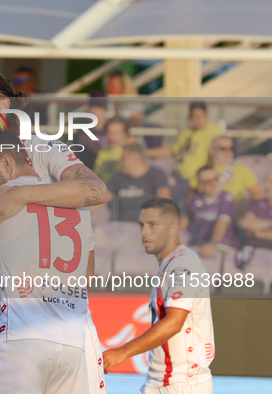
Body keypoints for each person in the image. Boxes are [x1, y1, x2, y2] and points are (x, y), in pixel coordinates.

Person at [0, 70, 109, 393]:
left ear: (3, 105)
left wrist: (19, 196)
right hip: (52, 327)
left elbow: (97, 190)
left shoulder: (41, 149)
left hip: (23, 329)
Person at [0, 131, 93, 393]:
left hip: (19, 339)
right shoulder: (81, 208)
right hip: (73, 345)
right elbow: (87, 275)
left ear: (7, 164)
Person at [103, 198, 215, 394]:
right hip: (161, 382)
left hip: (182, 384)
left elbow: (173, 323)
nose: (144, 232)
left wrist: (121, 353)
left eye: (152, 225)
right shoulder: (169, 264)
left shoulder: (183, 266)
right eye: (142, 225)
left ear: (173, 229)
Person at [147, 102, 221, 181]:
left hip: (199, 180)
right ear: (190, 118)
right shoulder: (186, 133)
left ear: (207, 116)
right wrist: (144, 153)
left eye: (202, 115)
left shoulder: (213, 130)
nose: (199, 119)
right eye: (195, 116)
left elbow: (217, 155)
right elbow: (172, 151)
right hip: (180, 177)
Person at [181, 166, 238, 258]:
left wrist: (213, 243)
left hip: (222, 249)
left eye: (215, 179)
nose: (213, 184)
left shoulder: (226, 198)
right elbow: (185, 220)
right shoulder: (195, 198)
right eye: (208, 182)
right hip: (199, 247)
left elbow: (222, 222)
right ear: (200, 185)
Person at [106, 143, 171, 222]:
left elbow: (165, 201)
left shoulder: (156, 174)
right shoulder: (118, 177)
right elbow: (101, 199)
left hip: (147, 227)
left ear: (135, 160)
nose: (120, 162)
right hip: (122, 229)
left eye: (123, 159)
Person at [190, 136, 264, 203]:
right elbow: (192, 194)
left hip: (235, 212)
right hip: (209, 212)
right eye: (223, 149)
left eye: (231, 148)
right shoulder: (204, 171)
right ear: (212, 151)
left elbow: (257, 193)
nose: (228, 152)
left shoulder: (242, 169)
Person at [93, 117, 138, 183]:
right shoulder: (103, 151)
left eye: (117, 132)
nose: (112, 136)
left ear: (125, 133)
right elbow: (97, 175)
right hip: (107, 190)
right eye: (109, 132)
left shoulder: (133, 152)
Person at [241, 170, 272, 249]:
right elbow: (246, 223)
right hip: (253, 250)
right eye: (266, 180)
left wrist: (257, 232)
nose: (266, 185)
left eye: (270, 182)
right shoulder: (258, 203)